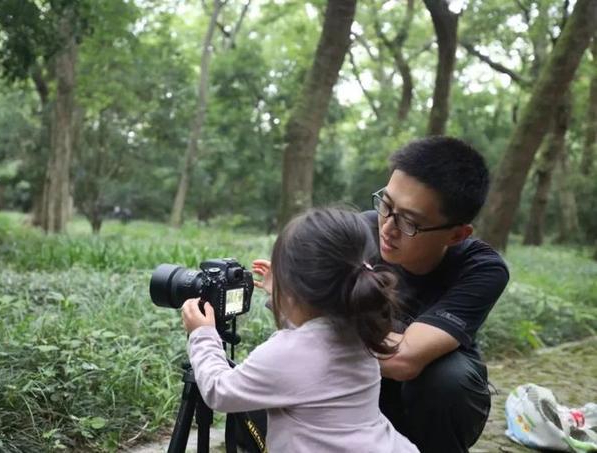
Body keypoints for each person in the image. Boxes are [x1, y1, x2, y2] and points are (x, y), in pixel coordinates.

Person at [181, 207, 419, 453]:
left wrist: (203, 336)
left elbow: (219, 391)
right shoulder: (359, 327)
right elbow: (311, 334)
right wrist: (282, 292)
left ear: (295, 292)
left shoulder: (287, 353)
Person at [364, 136, 510, 453]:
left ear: (457, 234)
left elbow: (403, 360)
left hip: (430, 410)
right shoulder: (354, 235)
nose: (387, 227)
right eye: (386, 205)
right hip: (360, 396)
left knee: (447, 379)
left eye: (410, 222)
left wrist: (328, 326)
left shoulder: (481, 269)